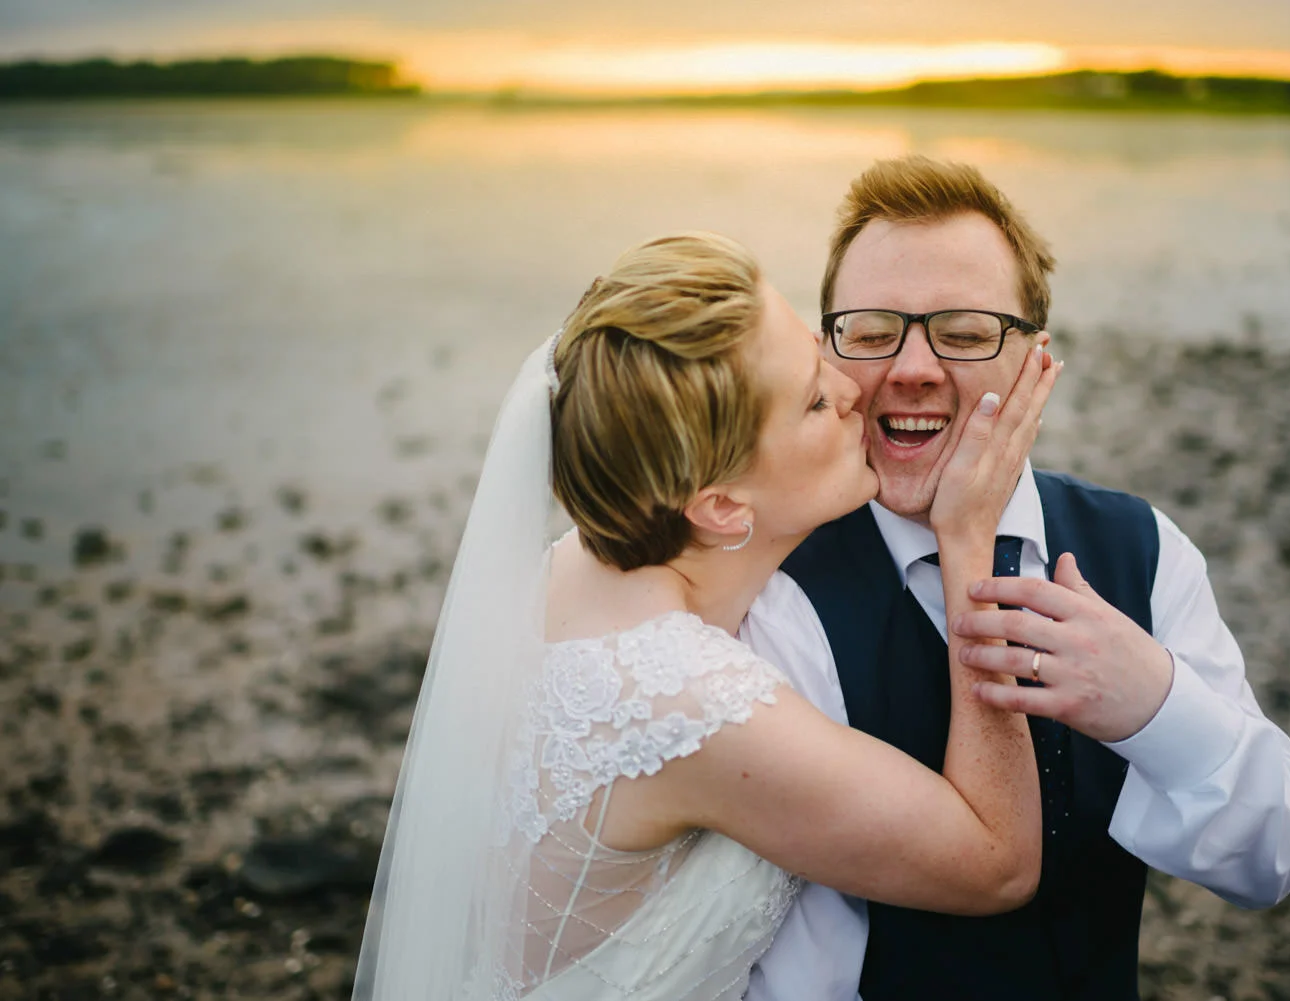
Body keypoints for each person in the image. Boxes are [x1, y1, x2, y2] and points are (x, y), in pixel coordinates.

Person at [352, 231, 1062, 1000]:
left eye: (818, 351)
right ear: (721, 506)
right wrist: (966, 538)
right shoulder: (689, 703)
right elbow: (998, 864)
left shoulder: (570, 568)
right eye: (816, 401)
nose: (856, 387)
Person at [743, 156, 1290, 1001]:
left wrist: (1153, 702)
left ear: (1035, 362)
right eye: (870, 331)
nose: (910, 368)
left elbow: (1270, 860)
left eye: (966, 332)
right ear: (828, 353)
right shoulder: (774, 592)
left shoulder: (1144, 550)